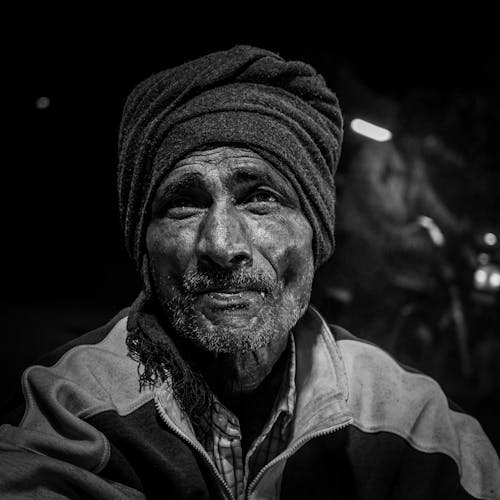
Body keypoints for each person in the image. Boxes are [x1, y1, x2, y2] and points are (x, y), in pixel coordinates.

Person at [0, 45, 498, 500]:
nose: (221, 244)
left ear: (314, 236)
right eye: (183, 203)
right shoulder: (70, 409)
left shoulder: (411, 419)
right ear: (144, 245)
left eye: (261, 198)